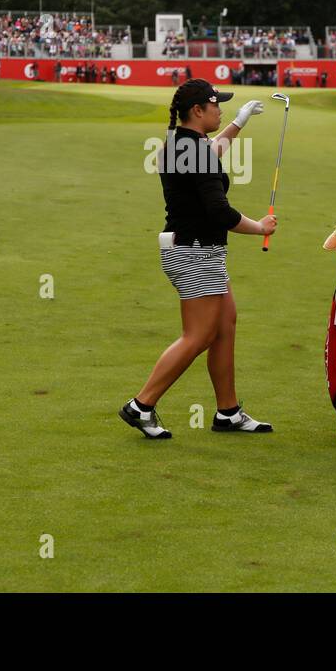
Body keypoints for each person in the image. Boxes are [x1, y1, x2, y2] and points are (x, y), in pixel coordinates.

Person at [119, 79, 277, 439]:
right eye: (216, 105)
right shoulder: (194, 150)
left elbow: (211, 153)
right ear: (197, 111)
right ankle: (141, 405)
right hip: (195, 252)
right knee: (199, 334)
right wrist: (260, 227)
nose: (220, 110)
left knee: (225, 324)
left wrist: (238, 123)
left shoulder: (180, 144)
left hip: (195, 250)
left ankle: (228, 412)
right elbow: (220, 212)